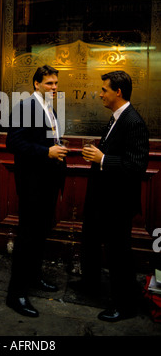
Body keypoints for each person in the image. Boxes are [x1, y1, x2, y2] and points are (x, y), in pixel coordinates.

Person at [79, 70, 149, 322]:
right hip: (103, 199)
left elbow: (137, 166)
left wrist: (103, 158)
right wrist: (100, 153)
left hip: (118, 203)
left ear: (117, 92)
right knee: (91, 241)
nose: (100, 94)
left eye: (104, 90)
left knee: (119, 254)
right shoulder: (116, 117)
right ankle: (90, 286)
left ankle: (125, 305)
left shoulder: (134, 122)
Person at [6, 65, 68, 317]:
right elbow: (13, 141)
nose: (54, 87)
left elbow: (44, 137)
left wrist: (56, 147)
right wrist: (47, 152)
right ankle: (16, 294)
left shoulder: (47, 106)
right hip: (33, 184)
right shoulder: (26, 106)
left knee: (40, 233)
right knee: (27, 237)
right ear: (36, 84)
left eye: (55, 83)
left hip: (48, 182)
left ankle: (33, 277)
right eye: (49, 83)